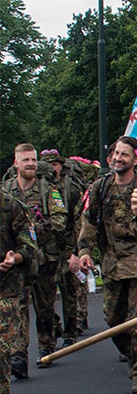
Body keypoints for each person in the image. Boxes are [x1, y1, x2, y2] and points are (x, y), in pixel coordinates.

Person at [74, 136, 137, 394]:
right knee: (114, 320)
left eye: (124, 154)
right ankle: (130, 351)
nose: (118, 158)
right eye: (115, 154)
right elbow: (90, 221)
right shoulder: (100, 187)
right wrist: (84, 251)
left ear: (135, 160)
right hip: (112, 264)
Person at [4, 143, 69, 372]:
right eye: (25, 160)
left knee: (44, 306)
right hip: (18, 260)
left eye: (33, 160)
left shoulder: (48, 189)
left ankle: (46, 345)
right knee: (18, 307)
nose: (30, 164)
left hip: (43, 257)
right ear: (16, 163)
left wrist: (36, 229)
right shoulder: (7, 190)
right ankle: (18, 355)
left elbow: (61, 218)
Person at [0, 188, 38, 394]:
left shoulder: (10, 206)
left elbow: (30, 246)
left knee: (2, 347)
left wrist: (15, 258)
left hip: (5, 288)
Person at [40, 149, 85, 348]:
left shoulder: (71, 189)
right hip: (47, 249)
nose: (52, 168)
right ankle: (54, 326)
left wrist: (77, 249)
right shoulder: (41, 189)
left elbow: (78, 221)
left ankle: (70, 331)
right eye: (49, 164)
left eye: (55, 164)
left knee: (69, 291)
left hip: (67, 245)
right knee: (44, 295)